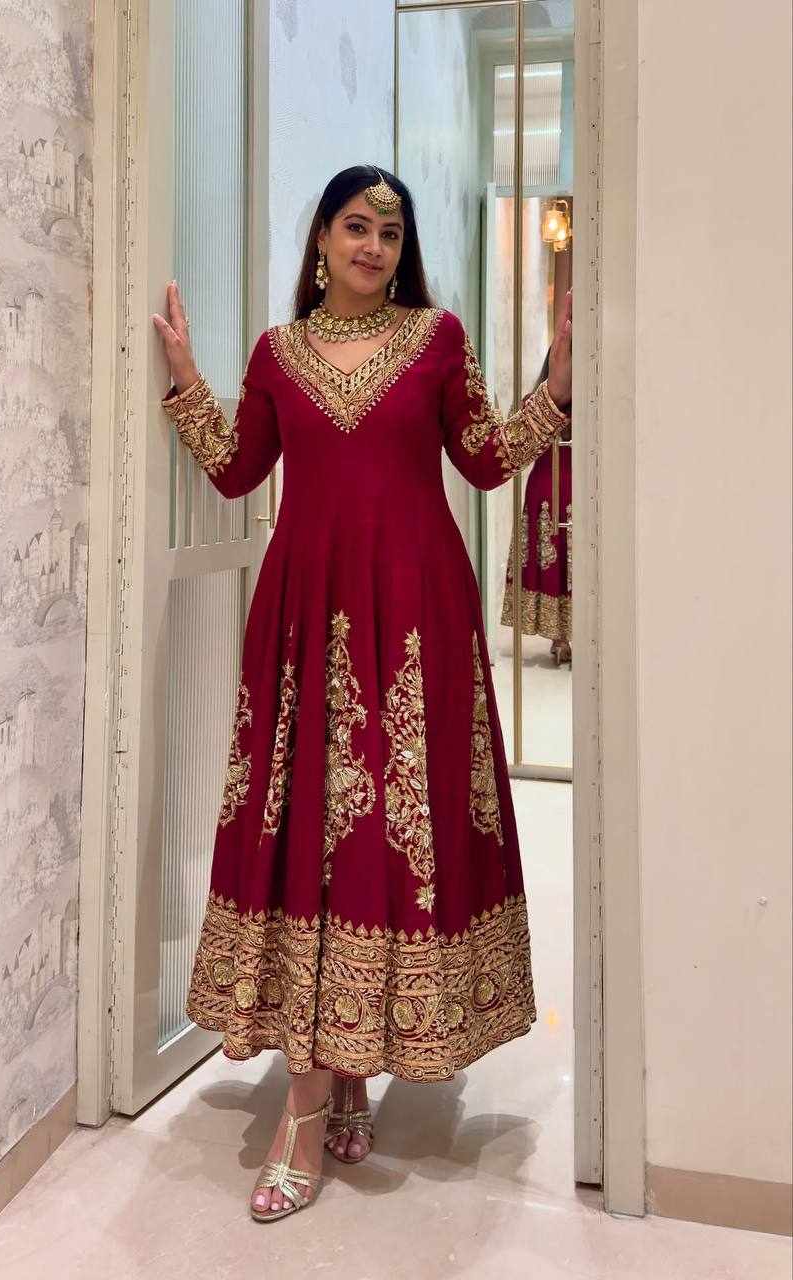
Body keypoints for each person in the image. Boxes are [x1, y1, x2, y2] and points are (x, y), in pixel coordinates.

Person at [153, 165, 572, 1223]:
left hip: (417, 613)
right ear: (321, 240)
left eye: (389, 231)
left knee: (389, 833)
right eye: (354, 226)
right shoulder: (276, 352)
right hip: (304, 617)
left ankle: (339, 1074)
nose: (373, 246)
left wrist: (557, 390)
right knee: (310, 831)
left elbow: (484, 460)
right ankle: (319, 1090)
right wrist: (185, 382)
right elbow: (239, 469)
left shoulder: (436, 338)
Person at [501, 348, 573, 663]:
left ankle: (561, 638)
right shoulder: (588, 405)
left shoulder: (534, 403)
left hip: (548, 487)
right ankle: (565, 636)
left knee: (559, 558)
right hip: (562, 487)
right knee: (565, 558)